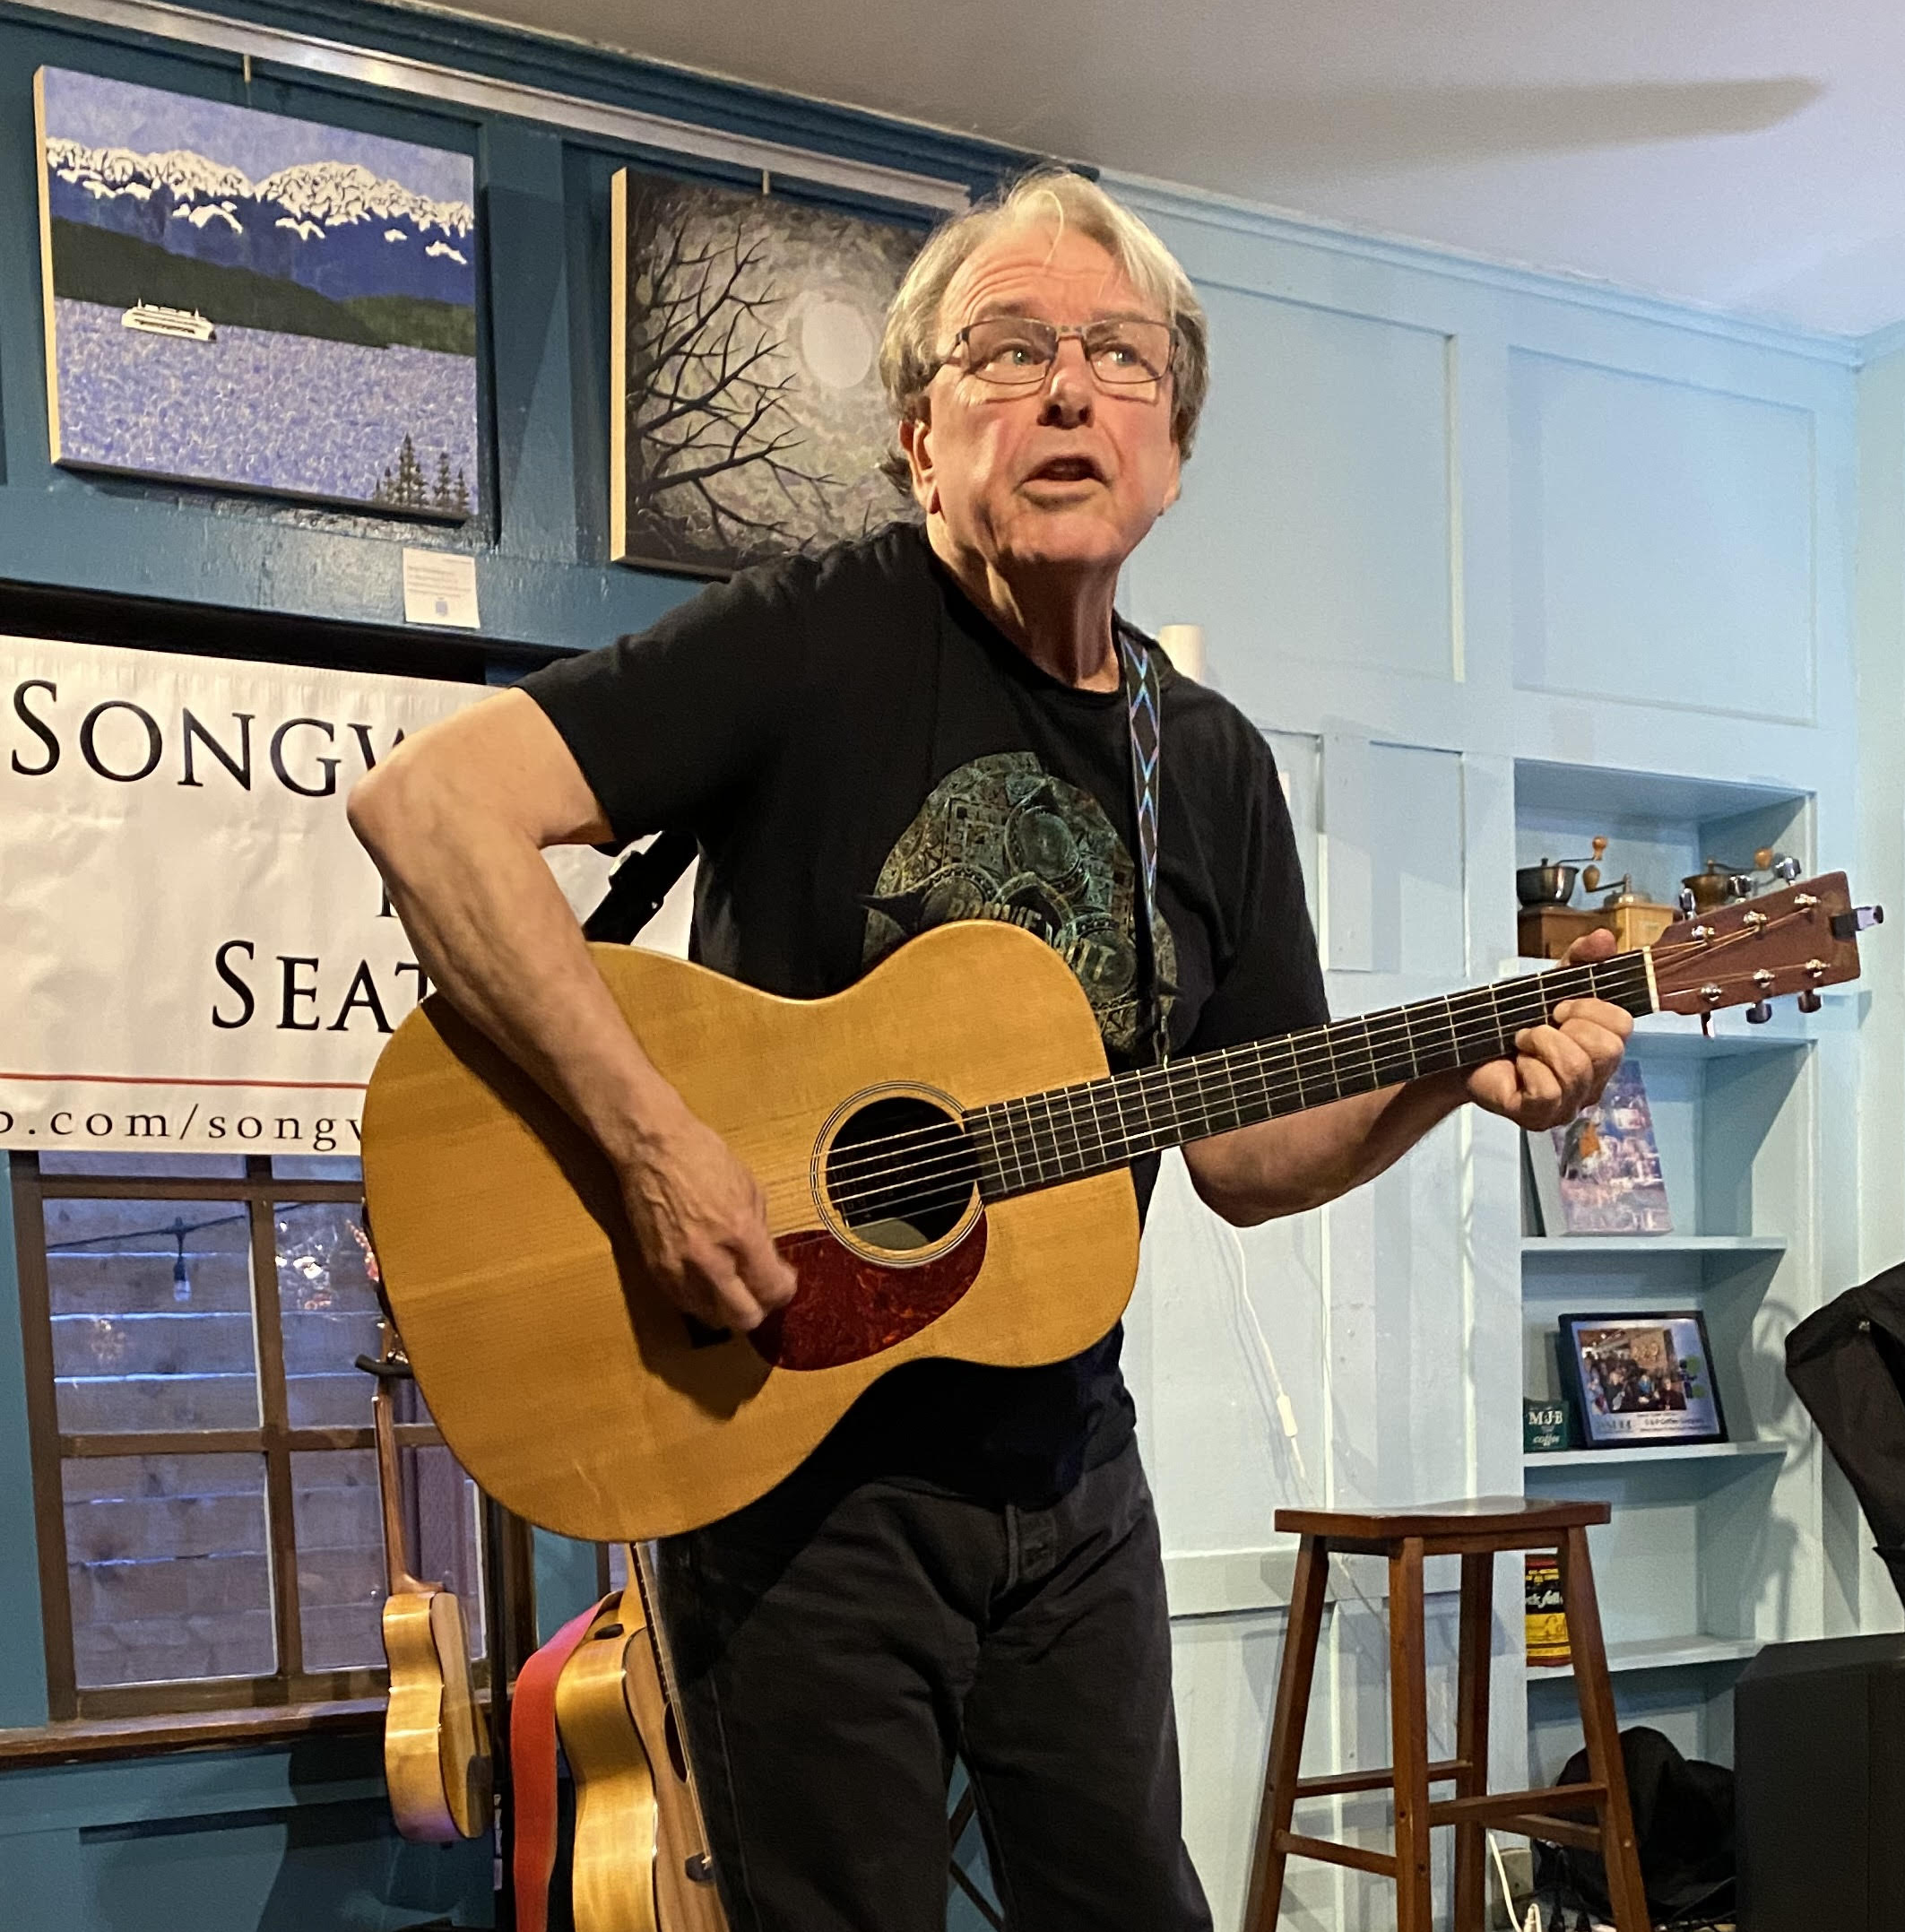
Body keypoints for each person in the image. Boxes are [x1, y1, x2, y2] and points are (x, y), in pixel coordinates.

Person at [349, 169, 1630, 1932]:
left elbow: (1247, 1162)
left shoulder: (1216, 765)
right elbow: (433, 815)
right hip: (792, 1465)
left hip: (1065, 1471)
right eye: (1005, 350)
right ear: (916, 434)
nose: (1063, 387)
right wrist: (652, 1147)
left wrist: (1443, 1075)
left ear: (1170, 438)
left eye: (1116, 351)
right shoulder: (819, 635)